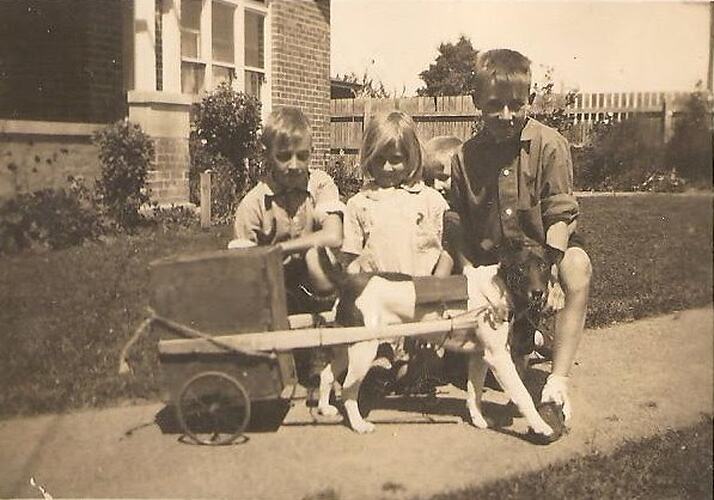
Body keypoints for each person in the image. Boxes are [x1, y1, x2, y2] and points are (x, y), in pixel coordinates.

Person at [449, 49, 592, 424]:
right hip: (493, 268)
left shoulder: (549, 144)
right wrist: (466, 271)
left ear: (530, 99)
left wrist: (555, 270)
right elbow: (459, 224)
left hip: (543, 258)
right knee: (497, 357)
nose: (507, 116)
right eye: (495, 105)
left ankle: (557, 382)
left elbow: (560, 213)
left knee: (579, 266)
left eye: (516, 104)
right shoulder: (466, 157)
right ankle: (527, 342)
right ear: (476, 101)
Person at [232, 106, 345, 396]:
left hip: (316, 280)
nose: (294, 165)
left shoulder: (320, 184)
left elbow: (333, 235)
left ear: (311, 152)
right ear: (266, 155)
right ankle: (275, 359)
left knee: (314, 254)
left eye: (302, 155)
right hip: (275, 282)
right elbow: (241, 265)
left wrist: (282, 247)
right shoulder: (254, 203)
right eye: (283, 156)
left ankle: (322, 353)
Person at [341, 110, 453, 395]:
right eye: (379, 160)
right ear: (368, 158)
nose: (388, 168)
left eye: (396, 159)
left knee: (426, 362)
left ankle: (418, 370)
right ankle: (383, 364)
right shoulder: (359, 203)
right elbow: (352, 258)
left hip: (420, 299)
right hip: (380, 302)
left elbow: (445, 252)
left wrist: (435, 289)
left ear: (412, 157)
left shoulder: (430, 200)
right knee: (377, 359)